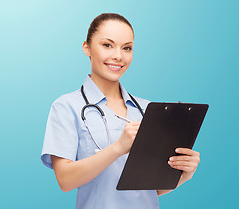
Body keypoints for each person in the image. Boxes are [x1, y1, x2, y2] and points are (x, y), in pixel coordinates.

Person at [40, 13, 200, 209]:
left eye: (127, 48)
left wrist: (182, 174)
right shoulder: (66, 106)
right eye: (107, 45)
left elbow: (149, 190)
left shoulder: (147, 109)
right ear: (87, 48)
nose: (118, 55)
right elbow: (65, 180)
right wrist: (118, 148)